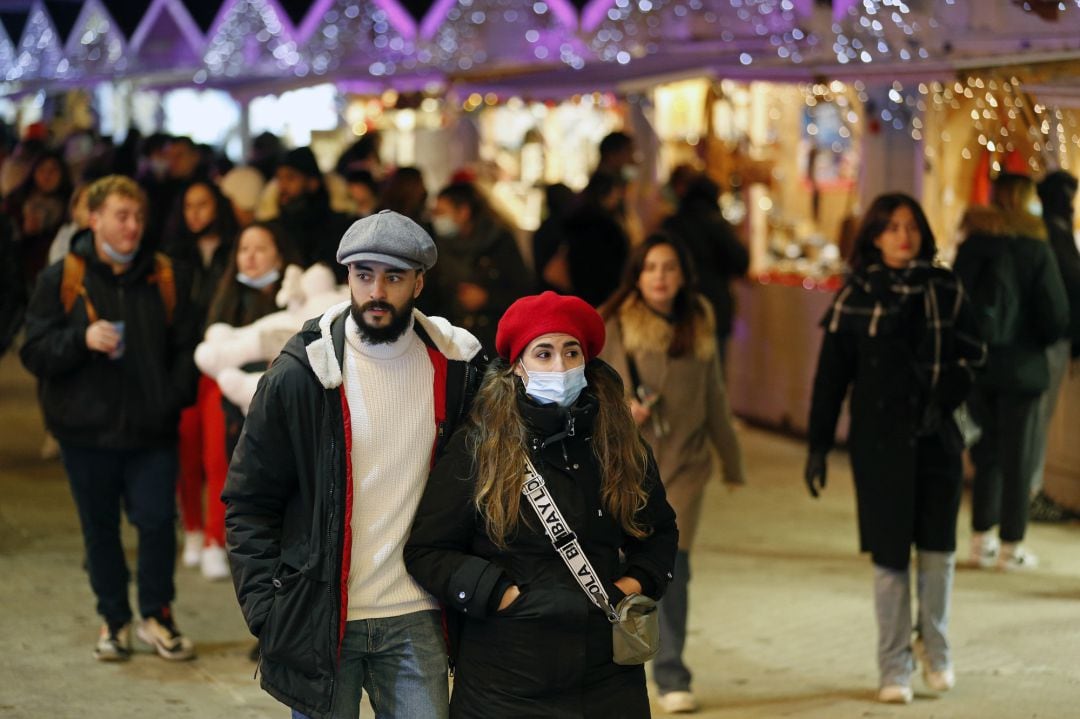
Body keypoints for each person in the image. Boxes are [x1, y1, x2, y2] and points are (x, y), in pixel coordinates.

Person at [222, 210, 486, 719]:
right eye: (364, 275)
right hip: (323, 619)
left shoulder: (457, 372)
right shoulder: (301, 375)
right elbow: (248, 502)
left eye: (394, 277)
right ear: (347, 277)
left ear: (419, 282)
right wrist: (268, 613)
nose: (377, 292)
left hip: (418, 616)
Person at [405, 291, 678, 718]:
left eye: (572, 352)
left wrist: (631, 585)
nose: (560, 367)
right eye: (544, 353)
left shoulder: (618, 441)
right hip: (505, 677)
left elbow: (659, 531)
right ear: (517, 366)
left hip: (606, 677)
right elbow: (427, 550)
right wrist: (499, 595)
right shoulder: (480, 445)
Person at [804, 193, 985, 704]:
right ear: (875, 237)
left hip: (937, 437)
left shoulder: (945, 288)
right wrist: (818, 445)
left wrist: (946, 396)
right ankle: (894, 665)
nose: (902, 236)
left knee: (937, 552)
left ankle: (936, 648)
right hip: (879, 443)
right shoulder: (855, 296)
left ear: (923, 233)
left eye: (910, 226)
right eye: (891, 227)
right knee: (888, 558)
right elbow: (831, 379)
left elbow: (975, 354)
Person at [20, 174, 200, 662]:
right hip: (85, 432)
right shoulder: (62, 279)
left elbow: (187, 345)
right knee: (100, 530)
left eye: (139, 216)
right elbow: (34, 351)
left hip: (151, 428)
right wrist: (80, 340)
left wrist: (173, 395)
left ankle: (157, 615)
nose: (133, 226)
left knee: (158, 522)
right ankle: (114, 619)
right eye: (122, 215)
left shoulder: (165, 276)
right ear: (94, 218)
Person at [599, 234, 746, 714]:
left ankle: (672, 672)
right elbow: (596, 395)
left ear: (683, 275)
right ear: (637, 276)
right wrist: (624, 411)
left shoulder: (699, 318)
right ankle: (621, 668)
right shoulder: (615, 322)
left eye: (669, 267)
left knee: (673, 569)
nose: (660, 277)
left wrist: (732, 460)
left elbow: (715, 394)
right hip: (629, 469)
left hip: (685, 466)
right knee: (626, 569)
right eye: (651, 268)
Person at [954, 174, 1069, 569]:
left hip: (979, 365)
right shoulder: (1036, 249)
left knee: (984, 452)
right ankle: (1011, 545)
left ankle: (979, 538)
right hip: (1023, 367)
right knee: (1017, 455)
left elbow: (956, 303)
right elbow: (1056, 314)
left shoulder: (972, 246)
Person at [163, 180, 240, 579]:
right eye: (189, 205)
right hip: (181, 364)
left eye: (203, 204)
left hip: (218, 362)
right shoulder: (173, 256)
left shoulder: (235, 250)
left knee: (216, 454)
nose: (196, 213)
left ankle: (214, 536)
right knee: (185, 451)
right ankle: (192, 528)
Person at [1029, 170, 1080, 521]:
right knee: (1035, 421)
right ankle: (1029, 493)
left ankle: (1028, 492)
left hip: (1051, 340)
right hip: (1049, 341)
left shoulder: (1049, 233)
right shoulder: (1052, 236)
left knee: (1036, 422)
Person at [428, 181, 532, 352]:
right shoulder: (436, 248)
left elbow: (524, 293)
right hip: (449, 344)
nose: (436, 219)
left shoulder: (499, 242)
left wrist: (487, 299)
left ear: (463, 212)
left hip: (492, 343)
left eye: (441, 212)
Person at [662, 174, 750, 365]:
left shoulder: (672, 224)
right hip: (714, 305)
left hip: (677, 305)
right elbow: (741, 262)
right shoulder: (717, 224)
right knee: (714, 371)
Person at [272, 146, 354, 281]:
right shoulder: (276, 225)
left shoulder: (338, 226)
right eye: (279, 178)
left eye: (290, 178)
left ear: (312, 182)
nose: (283, 186)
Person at [564, 170, 631, 307]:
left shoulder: (575, 222)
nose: (617, 198)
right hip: (607, 294)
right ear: (606, 193)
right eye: (615, 193)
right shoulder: (607, 226)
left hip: (578, 291)